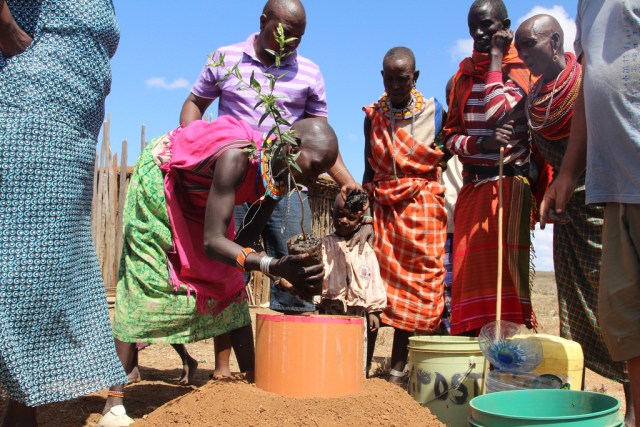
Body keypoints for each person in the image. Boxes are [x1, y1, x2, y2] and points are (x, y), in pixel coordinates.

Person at [100, 115, 339, 426]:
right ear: (290, 147)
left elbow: (245, 239)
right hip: (161, 183)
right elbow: (214, 242)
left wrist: (277, 272)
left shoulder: (278, 181)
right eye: (315, 167)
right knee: (144, 279)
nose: (313, 180)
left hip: (201, 200)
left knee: (231, 283)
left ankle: (253, 384)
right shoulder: (236, 157)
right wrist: (270, 264)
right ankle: (113, 405)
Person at [179, 0, 360, 376]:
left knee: (299, 260)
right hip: (235, 179)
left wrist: (348, 182)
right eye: (284, 34)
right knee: (230, 264)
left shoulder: (310, 72)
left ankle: (293, 357)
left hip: (288, 184)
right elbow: (195, 103)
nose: (291, 44)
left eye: (298, 38)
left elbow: (321, 139)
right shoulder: (226, 58)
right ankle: (224, 367)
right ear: (264, 22)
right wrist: (194, 143)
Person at [0, 1, 127, 426]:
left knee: (48, 258)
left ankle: (23, 403)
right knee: (21, 252)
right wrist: (8, 31)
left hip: (73, 111)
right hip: (33, 100)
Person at [515, 14, 634, 424]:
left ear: (555, 42)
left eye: (529, 44)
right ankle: (576, 400)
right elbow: (537, 158)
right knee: (573, 307)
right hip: (565, 213)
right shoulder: (535, 99)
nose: (523, 53)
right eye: (520, 46)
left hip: (601, 202)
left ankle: (633, 404)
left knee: (617, 303)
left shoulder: (583, 83)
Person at [442, 0, 535, 337]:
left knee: (505, 282)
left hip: (508, 192)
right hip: (473, 190)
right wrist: (479, 145)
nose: (480, 34)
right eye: (473, 28)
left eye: (487, 25)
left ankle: (506, 365)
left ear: (505, 25)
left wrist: (496, 59)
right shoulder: (461, 78)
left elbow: (500, 114)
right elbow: (449, 137)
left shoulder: (522, 69)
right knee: (470, 281)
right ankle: (473, 358)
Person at [362, 46, 447, 385]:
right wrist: (365, 216)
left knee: (415, 288)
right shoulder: (373, 116)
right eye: (390, 79)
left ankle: (397, 370)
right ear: (382, 78)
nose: (396, 86)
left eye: (403, 79)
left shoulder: (435, 112)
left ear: (416, 78)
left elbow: (444, 157)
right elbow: (368, 170)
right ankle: (361, 371)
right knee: (373, 289)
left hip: (423, 211)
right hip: (382, 208)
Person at [315, 191, 386, 377]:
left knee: (356, 347)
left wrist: (374, 310)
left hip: (357, 311)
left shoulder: (364, 247)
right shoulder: (325, 244)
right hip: (330, 308)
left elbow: (373, 279)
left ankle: (358, 377)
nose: (344, 220)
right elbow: (318, 275)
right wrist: (315, 301)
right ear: (332, 214)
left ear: (360, 219)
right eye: (340, 215)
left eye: (351, 217)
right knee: (329, 347)